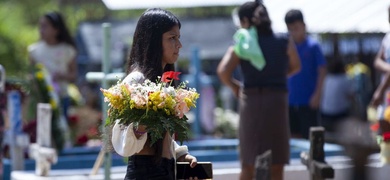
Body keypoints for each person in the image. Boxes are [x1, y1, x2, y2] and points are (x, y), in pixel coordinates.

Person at [109, 8, 197, 180]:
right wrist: (140, 128)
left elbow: (160, 137)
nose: (179, 45)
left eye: (178, 38)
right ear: (153, 41)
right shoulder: (135, 81)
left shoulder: (166, 82)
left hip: (166, 171)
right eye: (172, 38)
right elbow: (121, 142)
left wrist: (179, 155)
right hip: (145, 173)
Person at [217, 2, 301, 180]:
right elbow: (296, 66)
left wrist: (235, 87)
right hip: (277, 103)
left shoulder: (244, 42)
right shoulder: (284, 40)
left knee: (248, 162)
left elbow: (223, 71)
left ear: (246, 21)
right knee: (277, 163)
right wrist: (275, 75)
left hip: (251, 103)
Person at [284, 9, 327, 139]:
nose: (293, 32)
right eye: (290, 29)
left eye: (296, 28)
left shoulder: (313, 46)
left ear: (304, 26)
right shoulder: (287, 46)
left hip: (308, 100)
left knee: (311, 136)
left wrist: (317, 94)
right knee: (293, 136)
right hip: (290, 100)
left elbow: (322, 70)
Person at [28, 11, 77, 120]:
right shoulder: (34, 51)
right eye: (40, 26)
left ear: (56, 29)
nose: (41, 30)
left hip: (61, 97)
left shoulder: (67, 50)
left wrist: (62, 76)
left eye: (45, 26)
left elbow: (74, 75)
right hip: (40, 99)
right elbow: (30, 73)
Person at [320, 60, 354, 132]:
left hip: (325, 113)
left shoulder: (327, 78)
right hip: (340, 114)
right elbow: (351, 96)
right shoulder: (345, 79)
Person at [370, 6, 390, 109]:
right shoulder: (387, 37)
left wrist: (380, 91)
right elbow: (377, 60)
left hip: (385, 89)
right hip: (387, 91)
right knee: (383, 120)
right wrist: (388, 69)